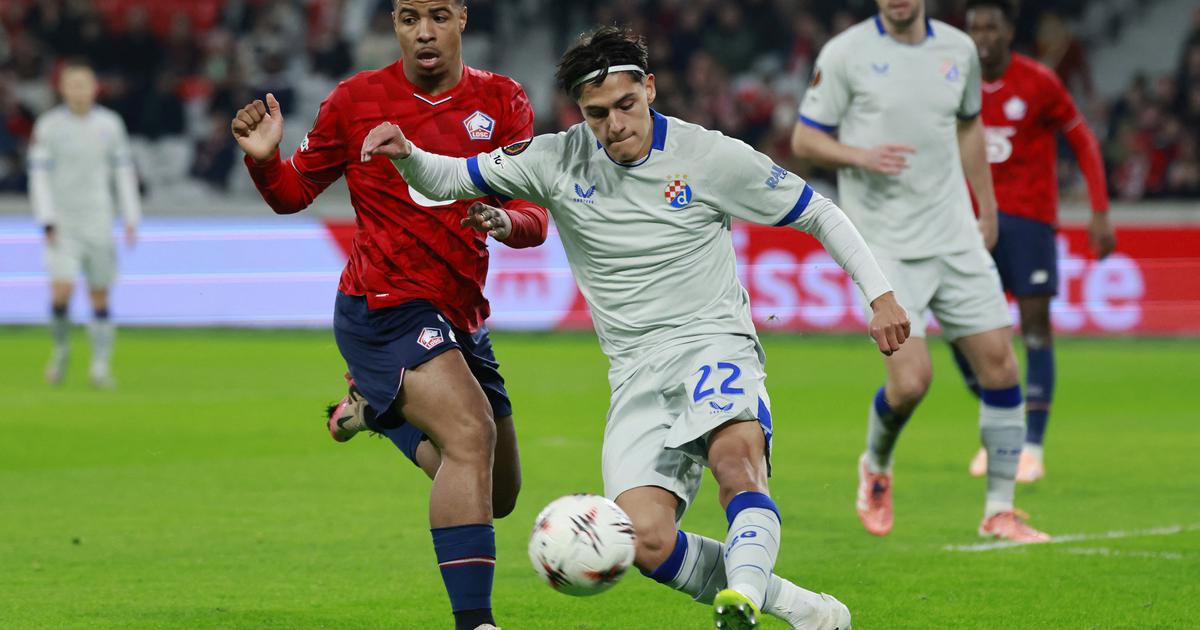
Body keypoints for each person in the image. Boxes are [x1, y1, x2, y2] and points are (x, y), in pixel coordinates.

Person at [362, 25, 910, 630]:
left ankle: (743, 601)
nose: (615, 125)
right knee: (644, 542)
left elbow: (818, 212)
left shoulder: (708, 156)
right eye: (597, 114)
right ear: (580, 112)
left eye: (626, 105)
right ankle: (802, 610)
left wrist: (880, 295)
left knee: (736, 464)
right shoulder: (555, 158)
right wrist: (407, 153)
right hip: (634, 374)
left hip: (712, 344)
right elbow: (446, 179)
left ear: (649, 88)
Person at [230, 2, 548, 629]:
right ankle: (475, 622)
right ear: (395, 25)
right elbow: (293, 193)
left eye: (438, 16)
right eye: (408, 18)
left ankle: (378, 412)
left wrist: (505, 220)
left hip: (460, 313)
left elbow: (534, 215)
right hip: (382, 305)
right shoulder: (355, 100)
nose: (424, 32)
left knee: (498, 494)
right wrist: (265, 159)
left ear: (463, 18)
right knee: (470, 435)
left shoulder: (503, 100)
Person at [791, 0, 1050, 543]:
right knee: (911, 383)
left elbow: (969, 127)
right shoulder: (845, 54)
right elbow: (805, 140)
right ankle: (876, 464)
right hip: (884, 245)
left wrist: (987, 207)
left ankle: (999, 510)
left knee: (1001, 367)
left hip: (954, 237)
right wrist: (861, 156)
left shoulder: (958, 49)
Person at [960, 0, 1115, 483]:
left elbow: (1083, 139)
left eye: (991, 27)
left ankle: (1031, 447)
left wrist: (1100, 210)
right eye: (975, 28)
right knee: (964, 333)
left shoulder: (1039, 82)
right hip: (972, 223)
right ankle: (1002, 426)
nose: (982, 37)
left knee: (1034, 331)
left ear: (1009, 32)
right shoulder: (956, 84)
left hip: (1029, 221)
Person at [29, 59, 140, 390]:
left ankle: (100, 365)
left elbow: (123, 171)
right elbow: (39, 176)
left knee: (99, 295)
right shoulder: (49, 126)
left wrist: (131, 216)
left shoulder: (110, 124)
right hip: (63, 223)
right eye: (72, 85)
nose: (79, 91)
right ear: (62, 89)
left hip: (99, 220)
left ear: (94, 88)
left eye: (84, 84)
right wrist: (46, 218)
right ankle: (61, 349)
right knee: (61, 293)